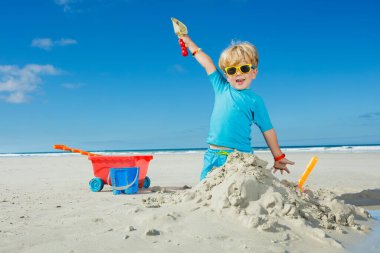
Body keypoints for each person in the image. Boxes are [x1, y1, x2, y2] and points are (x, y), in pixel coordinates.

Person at [179, 35, 295, 180]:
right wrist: (190, 45)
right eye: (232, 71)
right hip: (213, 155)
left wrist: (278, 157)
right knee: (207, 188)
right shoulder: (221, 87)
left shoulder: (255, 101)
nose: (238, 73)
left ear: (254, 72)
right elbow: (207, 63)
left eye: (244, 68)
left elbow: (268, 129)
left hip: (240, 157)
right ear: (227, 75)